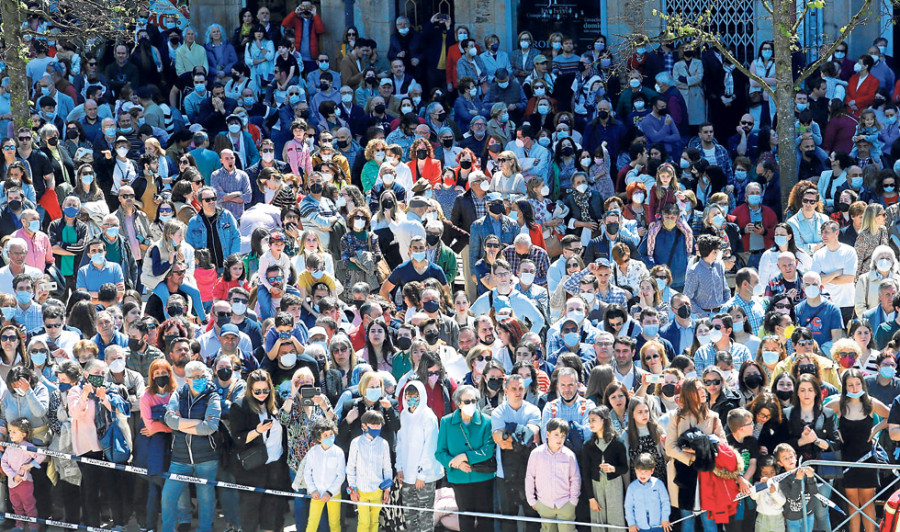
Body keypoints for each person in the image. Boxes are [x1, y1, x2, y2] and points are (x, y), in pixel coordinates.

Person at [160, 361, 221, 532]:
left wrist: (181, 424)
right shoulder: (178, 394)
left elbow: (210, 427)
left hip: (206, 458)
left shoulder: (212, 396)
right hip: (180, 459)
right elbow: (169, 420)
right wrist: (196, 423)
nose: (201, 380)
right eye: (196, 377)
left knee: (206, 499)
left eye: (202, 376)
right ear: (187, 379)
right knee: (168, 497)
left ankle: (205, 529)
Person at [435, 384, 496, 532]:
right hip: (459, 478)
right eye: (467, 401)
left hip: (483, 477)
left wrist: (464, 457)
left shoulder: (487, 421)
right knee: (465, 518)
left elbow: (487, 451)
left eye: (474, 400)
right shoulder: (446, 422)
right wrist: (456, 464)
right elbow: (440, 453)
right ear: (459, 403)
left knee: (485, 518)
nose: (471, 404)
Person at [395, 379, 443, 532]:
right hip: (407, 476)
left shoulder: (429, 416)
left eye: (415, 395)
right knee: (410, 517)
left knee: (425, 518)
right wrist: (399, 467)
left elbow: (430, 447)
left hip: (424, 477)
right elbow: (400, 444)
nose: (411, 399)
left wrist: (422, 474)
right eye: (408, 395)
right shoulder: (403, 415)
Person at [525, 417, 581, 531]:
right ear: (547, 434)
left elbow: (575, 478)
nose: (560, 439)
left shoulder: (569, 455)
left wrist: (573, 501)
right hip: (544, 504)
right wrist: (532, 501)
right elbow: (530, 478)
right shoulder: (536, 454)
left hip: (565, 504)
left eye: (563, 435)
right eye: (556, 434)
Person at [346, 409, 393, 532]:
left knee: (374, 521)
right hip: (361, 490)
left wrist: (387, 490)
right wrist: (352, 489)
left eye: (379, 425)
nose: (377, 427)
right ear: (364, 425)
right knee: (364, 521)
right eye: (373, 424)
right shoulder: (356, 443)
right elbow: (350, 468)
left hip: (377, 490)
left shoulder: (384, 444)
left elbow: (387, 467)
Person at [302, 417, 345, 532]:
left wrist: (330, 492)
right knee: (312, 523)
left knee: (335, 523)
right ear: (318, 438)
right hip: (316, 493)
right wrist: (313, 490)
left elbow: (341, 475)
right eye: (325, 435)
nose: (329, 437)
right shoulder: (313, 452)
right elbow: (307, 473)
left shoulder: (339, 452)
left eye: (331, 434)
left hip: (334, 494)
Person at [624, 453, 671, 532]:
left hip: (658, 526)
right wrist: (631, 523)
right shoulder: (632, 487)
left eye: (645, 471)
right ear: (635, 470)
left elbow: (665, 502)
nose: (642, 474)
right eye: (639, 471)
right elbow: (628, 507)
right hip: (640, 527)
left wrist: (665, 518)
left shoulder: (658, 484)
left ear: (652, 470)